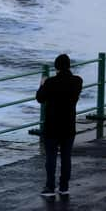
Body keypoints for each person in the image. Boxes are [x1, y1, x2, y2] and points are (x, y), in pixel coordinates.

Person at [36, 53, 83, 197]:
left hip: (52, 126)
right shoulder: (77, 81)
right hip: (69, 125)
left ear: (56, 67)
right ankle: (64, 187)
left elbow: (40, 98)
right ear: (69, 66)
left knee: (51, 157)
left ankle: (50, 187)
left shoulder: (50, 83)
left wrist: (42, 84)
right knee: (66, 157)